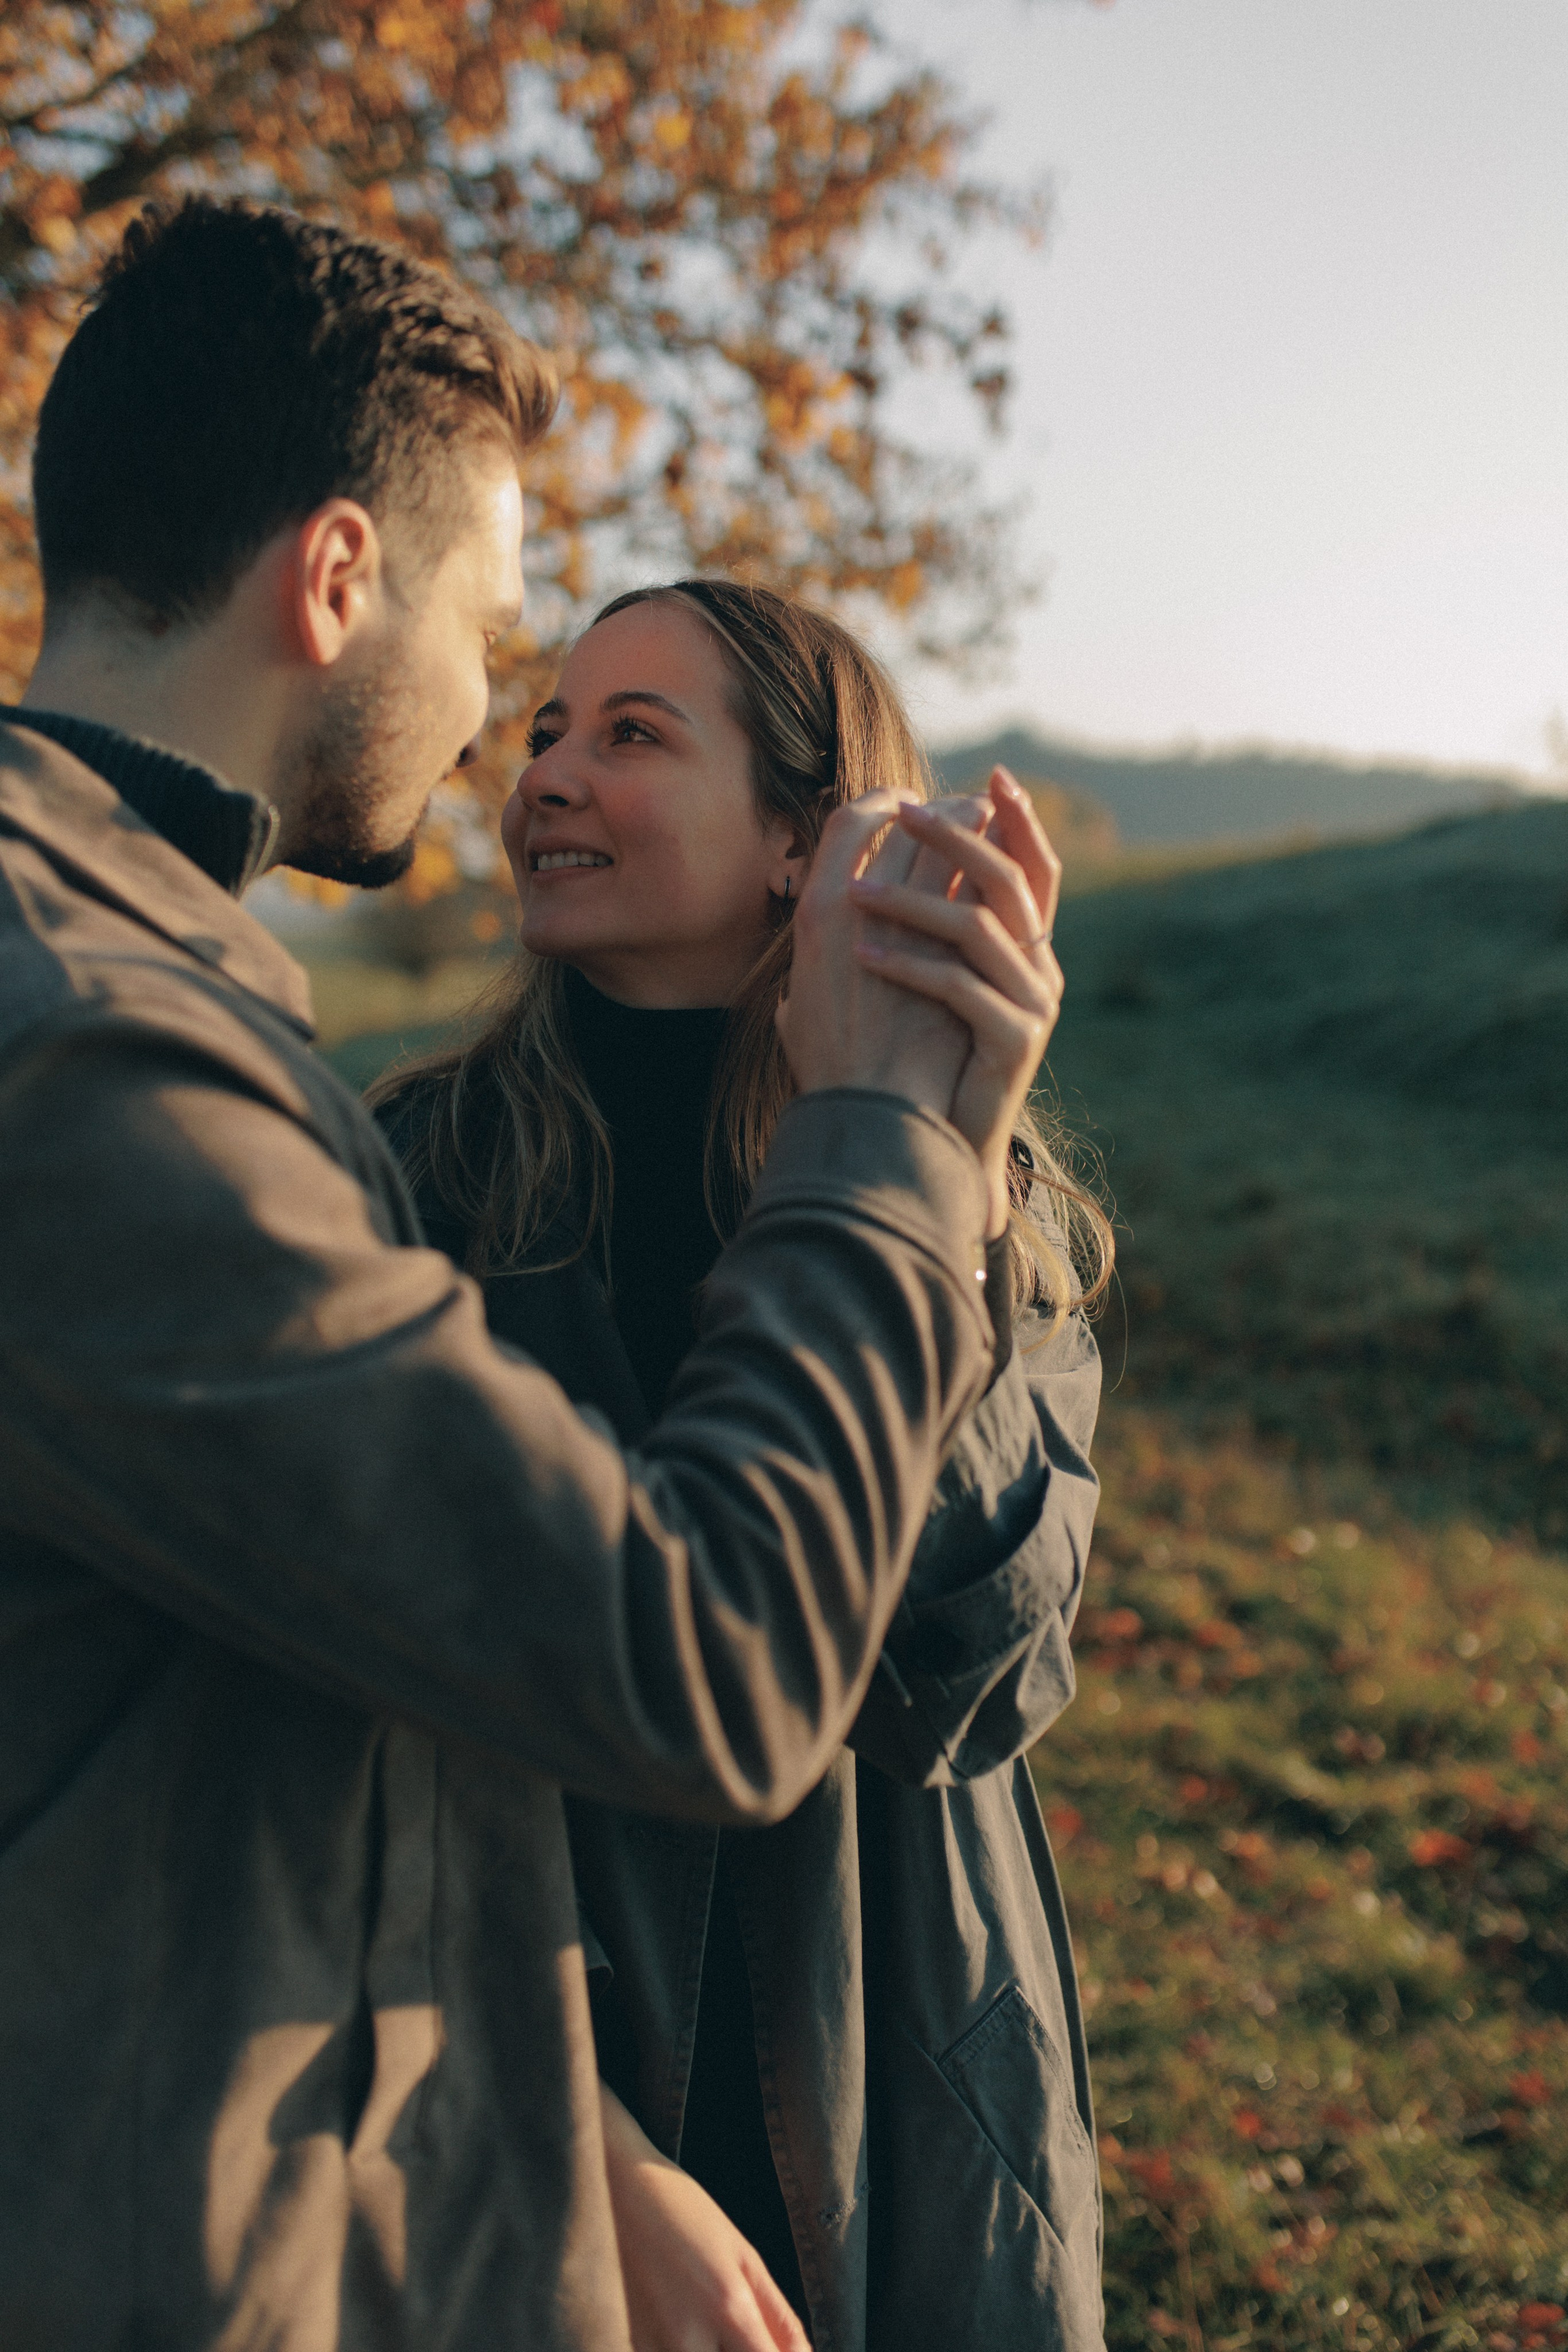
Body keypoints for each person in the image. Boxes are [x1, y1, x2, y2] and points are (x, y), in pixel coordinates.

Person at [0, 203, 1061, 2351]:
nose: (508, 731)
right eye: (497, 640)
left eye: (619, 729)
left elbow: (977, 1655)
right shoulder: (107, 1061)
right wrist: (888, 1138)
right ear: (334, 580)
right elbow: (696, 1662)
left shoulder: (156, 1010)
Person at [374, 579, 1115, 2352]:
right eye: (548, 729)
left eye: (632, 734)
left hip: (896, 2060)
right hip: (515, 2041)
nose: (547, 775)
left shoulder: (993, 1206)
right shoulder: (412, 1181)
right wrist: (582, 2143)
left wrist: (943, 1163)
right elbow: (351, 1738)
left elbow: (978, 1678)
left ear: (806, 840)